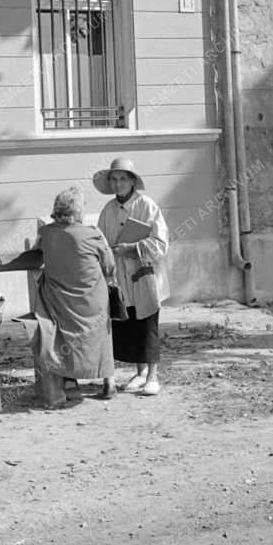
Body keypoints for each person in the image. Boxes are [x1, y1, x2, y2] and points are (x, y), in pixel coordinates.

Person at [21, 187, 116, 408]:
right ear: (77, 211)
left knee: (63, 336)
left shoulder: (46, 233)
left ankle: (70, 382)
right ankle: (109, 380)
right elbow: (109, 267)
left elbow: (38, 255)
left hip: (61, 300)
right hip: (92, 299)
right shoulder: (92, 234)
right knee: (102, 333)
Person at [94, 156, 169, 396]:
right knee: (130, 322)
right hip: (120, 277)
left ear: (132, 181)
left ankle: (154, 376)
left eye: (122, 179)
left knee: (148, 323)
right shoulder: (108, 210)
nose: (118, 184)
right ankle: (140, 372)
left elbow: (161, 242)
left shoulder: (147, 205)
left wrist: (133, 248)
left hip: (144, 274)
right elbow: (101, 242)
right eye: (114, 179)